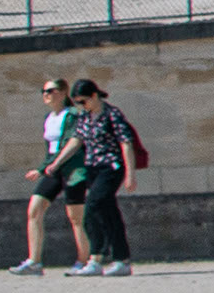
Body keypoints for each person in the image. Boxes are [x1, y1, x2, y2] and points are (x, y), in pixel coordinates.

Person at [56, 77, 144, 274]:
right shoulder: (84, 117)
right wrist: (56, 163)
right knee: (108, 212)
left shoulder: (112, 114)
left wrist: (130, 174)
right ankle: (121, 260)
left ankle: (96, 257)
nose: (81, 105)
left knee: (92, 207)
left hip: (111, 168)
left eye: (83, 101)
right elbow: (76, 140)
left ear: (94, 96)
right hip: (93, 169)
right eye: (77, 102)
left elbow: (126, 143)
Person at [11, 76, 74, 273]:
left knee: (77, 216)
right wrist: (41, 169)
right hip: (53, 170)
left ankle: (90, 258)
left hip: (71, 169)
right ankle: (34, 261)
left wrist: (55, 164)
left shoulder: (71, 114)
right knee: (34, 210)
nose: (46, 95)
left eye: (51, 91)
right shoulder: (49, 119)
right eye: (44, 91)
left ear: (63, 93)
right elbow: (50, 150)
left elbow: (70, 143)